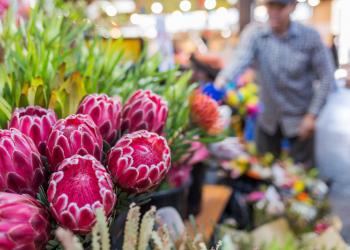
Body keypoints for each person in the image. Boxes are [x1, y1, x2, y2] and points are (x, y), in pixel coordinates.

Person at [215, 0, 335, 166]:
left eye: (281, 6)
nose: (274, 12)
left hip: (300, 119)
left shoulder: (310, 37)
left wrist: (312, 115)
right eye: (271, 6)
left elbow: (327, 77)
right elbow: (240, 61)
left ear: (293, 6)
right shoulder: (255, 34)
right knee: (265, 173)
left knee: (300, 177)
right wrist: (221, 81)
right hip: (267, 119)